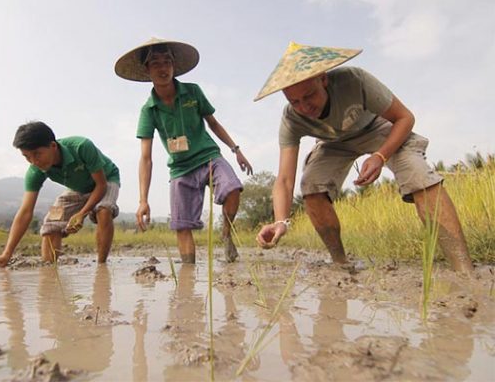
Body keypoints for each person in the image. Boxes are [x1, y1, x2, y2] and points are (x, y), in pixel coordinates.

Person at [254, 42, 474, 275]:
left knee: (419, 175)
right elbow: (285, 180)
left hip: (377, 128)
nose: (304, 107)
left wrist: (380, 156)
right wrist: (281, 222)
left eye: (309, 95)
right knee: (311, 185)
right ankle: (341, 263)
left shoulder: (354, 80)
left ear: (323, 79)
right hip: (333, 143)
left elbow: (405, 118)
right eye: (294, 102)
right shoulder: (291, 119)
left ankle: (464, 269)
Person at [114, 37, 253, 263]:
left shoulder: (192, 92)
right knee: (182, 225)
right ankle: (187, 277)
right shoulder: (148, 111)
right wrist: (143, 199)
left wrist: (235, 149)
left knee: (233, 187)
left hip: (209, 157)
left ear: (174, 66)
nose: (163, 68)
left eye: (167, 61)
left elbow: (214, 123)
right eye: (156, 63)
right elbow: (146, 158)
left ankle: (226, 233)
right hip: (180, 169)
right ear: (147, 69)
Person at [0, 121, 120, 267]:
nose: (34, 162)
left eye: (37, 154)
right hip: (77, 188)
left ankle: (101, 267)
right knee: (51, 224)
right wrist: (7, 254)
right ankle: (49, 271)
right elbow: (25, 212)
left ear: (53, 146)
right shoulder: (35, 171)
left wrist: (82, 214)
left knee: (103, 210)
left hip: (106, 179)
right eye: (27, 157)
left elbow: (101, 186)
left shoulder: (82, 147)